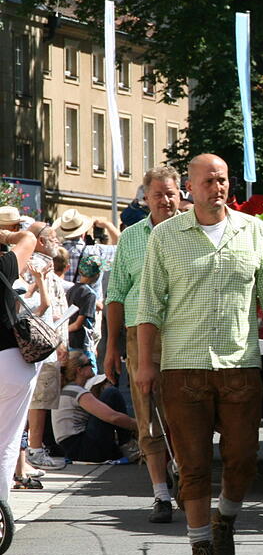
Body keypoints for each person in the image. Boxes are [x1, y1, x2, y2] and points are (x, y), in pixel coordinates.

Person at [136, 154, 263, 555]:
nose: (216, 187)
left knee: (243, 461)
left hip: (240, 366)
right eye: (207, 181)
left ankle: (225, 520)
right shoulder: (166, 236)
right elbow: (149, 305)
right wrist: (145, 363)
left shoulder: (254, 231)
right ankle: (201, 548)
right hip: (182, 368)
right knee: (193, 465)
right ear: (190, 186)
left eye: (221, 180)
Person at [104, 165, 183, 523]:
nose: (165, 200)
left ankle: (185, 473)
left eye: (170, 193)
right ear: (146, 198)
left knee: (183, 412)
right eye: (158, 195)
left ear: (180, 194)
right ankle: (160, 494)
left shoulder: (192, 231)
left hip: (183, 332)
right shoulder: (132, 237)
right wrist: (111, 347)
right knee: (147, 413)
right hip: (139, 335)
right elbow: (116, 294)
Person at [23, 222, 68, 473]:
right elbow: (37, 307)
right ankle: (35, 449)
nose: (58, 243)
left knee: (41, 399)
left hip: (48, 344)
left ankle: (33, 449)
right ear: (40, 241)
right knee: (38, 401)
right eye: (53, 238)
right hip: (40, 345)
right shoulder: (35, 266)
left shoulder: (44, 267)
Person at [0, 227, 39, 514]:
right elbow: (29, 238)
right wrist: (5, 235)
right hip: (9, 360)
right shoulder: (5, 264)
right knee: (6, 442)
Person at [53, 351, 138, 462]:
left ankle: (124, 446)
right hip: (83, 448)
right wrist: (141, 426)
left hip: (73, 449)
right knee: (111, 393)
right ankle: (128, 445)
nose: (92, 365)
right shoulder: (75, 391)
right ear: (79, 370)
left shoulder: (67, 390)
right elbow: (112, 417)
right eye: (89, 363)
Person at [67, 255, 103, 366]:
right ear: (97, 275)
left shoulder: (71, 290)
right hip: (82, 347)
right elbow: (78, 324)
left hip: (71, 343)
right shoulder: (90, 294)